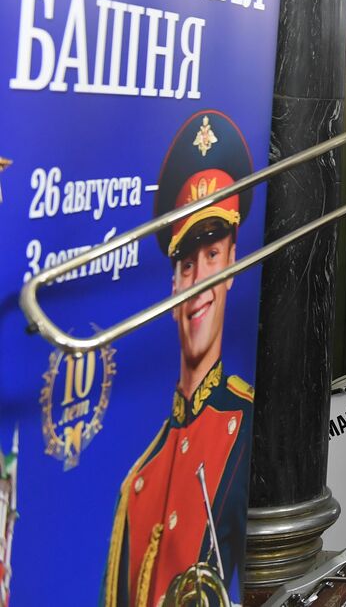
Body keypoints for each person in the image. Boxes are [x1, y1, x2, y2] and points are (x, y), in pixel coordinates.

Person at [104, 111, 255, 607]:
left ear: (232, 264)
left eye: (212, 256)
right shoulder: (138, 483)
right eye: (187, 264)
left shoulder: (249, 423)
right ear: (173, 287)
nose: (198, 283)